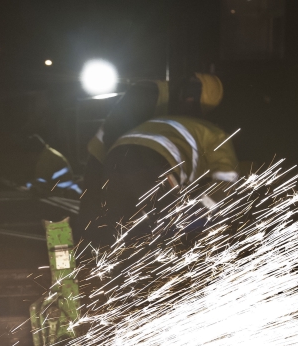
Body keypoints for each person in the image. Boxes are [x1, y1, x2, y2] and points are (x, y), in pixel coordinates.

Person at [84, 73, 238, 249]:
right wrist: (208, 208)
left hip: (116, 158)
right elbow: (227, 180)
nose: (189, 104)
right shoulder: (149, 92)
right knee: (167, 219)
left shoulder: (180, 119)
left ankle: (107, 265)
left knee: (120, 224)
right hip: (103, 156)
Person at [23, 134, 81, 198]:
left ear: (33, 151)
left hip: (60, 194)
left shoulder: (45, 160)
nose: (28, 156)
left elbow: (40, 185)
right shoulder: (48, 153)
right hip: (62, 190)